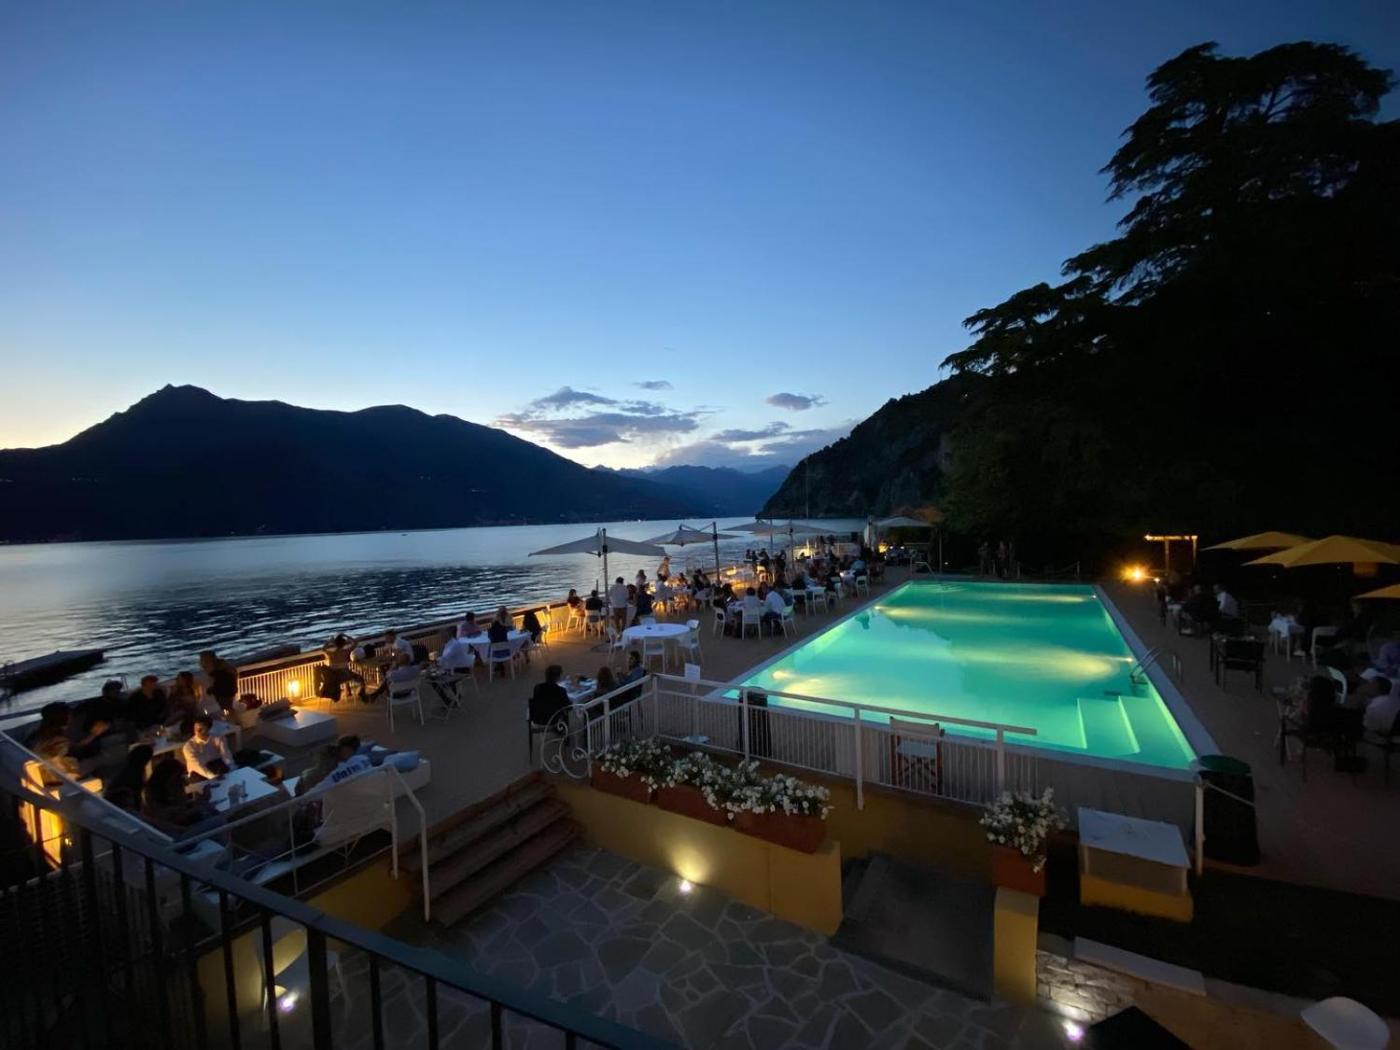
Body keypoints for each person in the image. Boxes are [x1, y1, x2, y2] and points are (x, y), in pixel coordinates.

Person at [27, 702, 107, 778]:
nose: (72, 717)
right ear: (63, 719)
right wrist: (94, 734)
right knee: (99, 759)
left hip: (40, 769)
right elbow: (72, 749)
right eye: (69, 715)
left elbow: (72, 746)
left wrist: (92, 735)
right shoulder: (59, 740)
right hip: (54, 774)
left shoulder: (37, 734)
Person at [142, 758, 220, 836]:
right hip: (179, 830)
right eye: (178, 776)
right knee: (218, 820)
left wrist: (204, 797)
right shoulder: (154, 794)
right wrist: (194, 810)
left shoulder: (176, 785)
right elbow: (168, 821)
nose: (180, 779)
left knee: (214, 812)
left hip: (188, 821)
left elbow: (182, 806)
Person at [104, 744, 154, 811]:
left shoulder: (126, 769)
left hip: (111, 803)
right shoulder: (135, 775)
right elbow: (137, 794)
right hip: (120, 807)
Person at [182, 715, 233, 780]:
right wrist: (213, 777)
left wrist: (232, 768)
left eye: (201, 729)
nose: (197, 731)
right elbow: (197, 766)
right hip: (198, 772)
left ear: (208, 728)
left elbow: (226, 755)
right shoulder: (188, 746)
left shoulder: (218, 738)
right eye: (195, 729)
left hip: (215, 765)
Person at [529, 664, 571, 729]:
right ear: (558, 677)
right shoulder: (560, 690)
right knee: (564, 711)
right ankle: (564, 730)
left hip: (538, 719)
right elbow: (568, 707)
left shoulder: (538, 687)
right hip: (553, 720)